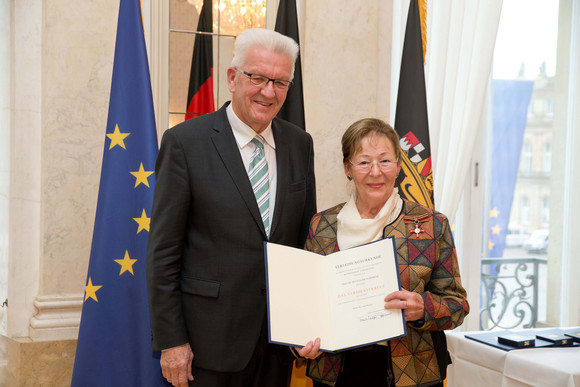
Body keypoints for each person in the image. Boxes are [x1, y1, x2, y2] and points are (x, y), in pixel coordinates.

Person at [146, 28, 317, 387]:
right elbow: (163, 253)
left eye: (280, 82)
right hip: (207, 345)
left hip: (277, 342)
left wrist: (309, 321)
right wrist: (172, 341)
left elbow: (305, 244)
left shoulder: (299, 144)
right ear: (232, 78)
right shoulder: (185, 144)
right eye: (257, 77)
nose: (268, 92)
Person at [295, 118, 469, 387]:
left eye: (385, 161)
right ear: (347, 169)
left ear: (398, 166)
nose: (375, 172)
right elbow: (306, 303)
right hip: (334, 370)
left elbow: (457, 306)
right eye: (363, 162)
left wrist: (424, 308)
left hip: (411, 371)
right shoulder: (322, 225)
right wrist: (299, 342)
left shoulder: (432, 225)